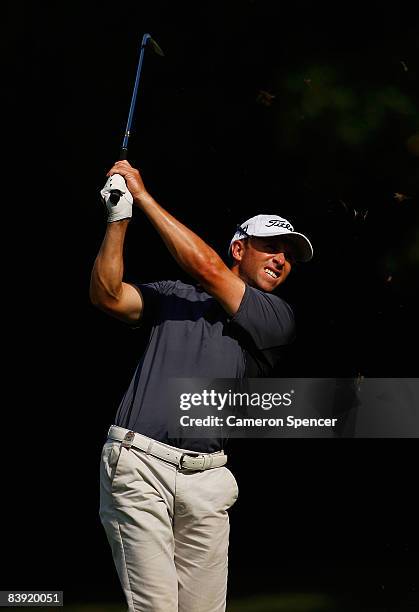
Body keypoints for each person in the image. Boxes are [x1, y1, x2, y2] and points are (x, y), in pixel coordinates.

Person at [90, 160, 313, 612]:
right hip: (139, 465)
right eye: (270, 247)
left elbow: (210, 268)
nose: (281, 259)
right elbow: (108, 295)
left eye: (288, 254)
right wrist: (119, 218)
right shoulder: (174, 296)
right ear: (240, 247)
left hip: (209, 480)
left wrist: (145, 195)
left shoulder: (276, 319)